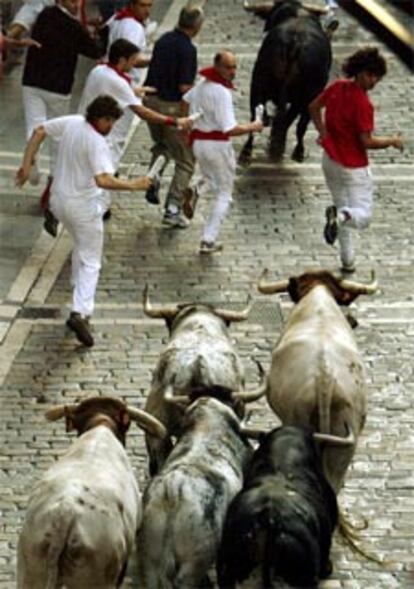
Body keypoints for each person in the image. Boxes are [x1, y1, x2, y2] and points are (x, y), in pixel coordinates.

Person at [16, 95, 153, 348]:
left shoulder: (72, 122)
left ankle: (76, 288)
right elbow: (104, 180)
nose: (111, 126)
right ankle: (81, 311)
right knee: (91, 260)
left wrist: (27, 165)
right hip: (83, 206)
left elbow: (39, 131)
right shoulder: (96, 142)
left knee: (80, 244)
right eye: (110, 121)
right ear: (101, 118)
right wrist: (136, 185)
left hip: (58, 201)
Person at [309, 46, 404, 273]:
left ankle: (348, 260)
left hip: (330, 160)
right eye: (371, 76)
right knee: (362, 216)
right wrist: (391, 140)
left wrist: (323, 132)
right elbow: (366, 142)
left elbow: (313, 107)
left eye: (376, 77)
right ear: (360, 72)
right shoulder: (363, 104)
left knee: (344, 206)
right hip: (353, 167)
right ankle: (339, 216)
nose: (374, 81)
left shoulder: (337, 87)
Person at [78, 38, 194, 217]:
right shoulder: (118, 82)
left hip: (87, 133)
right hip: (108, 141)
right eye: (132, 60)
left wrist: (134, 91)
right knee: (104, 182)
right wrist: (174, 121)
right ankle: (95, 217)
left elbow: (111, 92)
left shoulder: (98, 71)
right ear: (122, 60)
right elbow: (143, 112)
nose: (134, 64)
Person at [20, 0, 104, 236]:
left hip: (32, 80)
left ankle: (31, 158)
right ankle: (52, 182)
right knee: (57, 138)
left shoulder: (45, 15)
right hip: (58, 86)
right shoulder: (73, 26)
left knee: (34, 125)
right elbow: (94, 50)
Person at [183, 51, 264, 254]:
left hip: (199, 143)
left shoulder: (201, 85)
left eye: (234, 66)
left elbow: (185, 100)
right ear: (217, 66)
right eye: (228, 67)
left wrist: (188, 125)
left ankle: (197, 189)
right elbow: (230, 128)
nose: (232, 71)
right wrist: (253, 126)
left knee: (210, 176)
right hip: (217, 145)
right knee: (225, 193)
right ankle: (208, 239)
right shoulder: (221, 93)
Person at [143, 6, 204, 229]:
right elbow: (184, 87)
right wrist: (187, 119)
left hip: (151, 103)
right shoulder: (187, 49)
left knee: (162, 145)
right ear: (197, 26)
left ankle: (153, 177)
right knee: (186, 160)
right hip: (171, 107)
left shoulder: (163, 40)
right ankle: (173, 208)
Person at [107, 0, 153, 81]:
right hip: (126, 79)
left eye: (150, 6)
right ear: (132, 5)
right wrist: (155, 60)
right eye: (142, 6)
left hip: (113, 74)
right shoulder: (133, 28)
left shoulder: (118, 16)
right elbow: (130, 59)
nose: (147, 10)